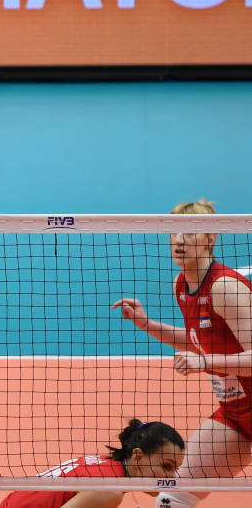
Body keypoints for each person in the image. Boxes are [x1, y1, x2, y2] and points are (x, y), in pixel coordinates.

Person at [113, 199, 252, 507]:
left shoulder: (225, 288)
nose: (179, 240)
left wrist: (204, 362)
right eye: (174, 232)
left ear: (210, 238)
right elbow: (201, 342)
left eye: (190, 232)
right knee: (171, 497)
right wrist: (147, 324)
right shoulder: (183, 285)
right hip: (237, 415)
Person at [0, 419, 185, 508]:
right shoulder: (109, 491)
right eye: (166, 466)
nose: (171, 477)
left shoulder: (105, 462)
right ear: (137, 457)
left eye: (175, 469)